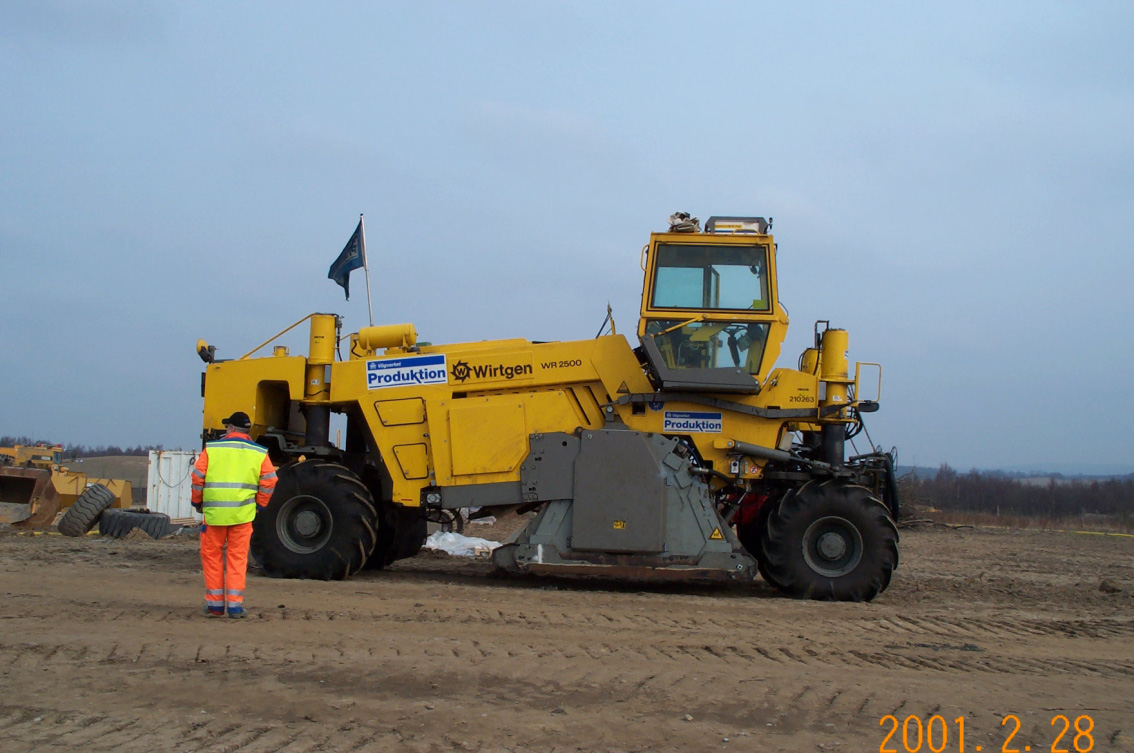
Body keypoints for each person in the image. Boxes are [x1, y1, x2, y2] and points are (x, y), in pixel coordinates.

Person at [190, 411, 277, 618]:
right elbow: (270, 480)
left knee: (212, 557)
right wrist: (260, 505)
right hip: (243, 516)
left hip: (214, 516)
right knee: (237, 559)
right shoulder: (258, 452)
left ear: (230, 429)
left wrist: (197, 501)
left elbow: (198, 477)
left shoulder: (212, 449)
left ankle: (215, 606)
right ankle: (236, 606)